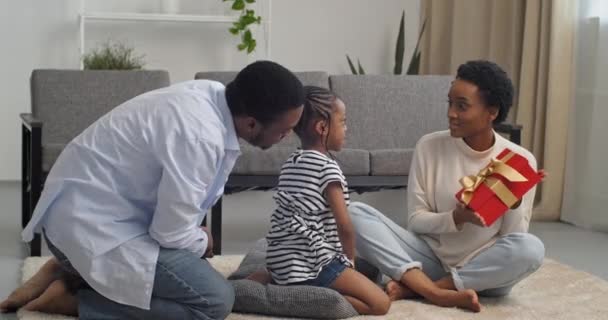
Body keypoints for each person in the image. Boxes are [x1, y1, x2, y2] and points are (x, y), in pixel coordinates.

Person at [0, 60, 305, 319]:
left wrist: (194, 237)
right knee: (215, 301)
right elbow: (169, 234)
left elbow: (179, 209)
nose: (288, 136)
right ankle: (75, 300)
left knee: (192, 267)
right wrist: (201, 240)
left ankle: (68, 272)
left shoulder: (212, 96)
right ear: (251, 124)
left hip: (90, 218)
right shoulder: (200, 136)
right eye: (284, 129)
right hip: (89, 231)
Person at [349, 60, 546, 312]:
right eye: (450, 103)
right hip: (427, 258)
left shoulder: (519, 160)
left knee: (531, 248)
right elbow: (416, 221)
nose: (451, 113)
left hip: (484, 271)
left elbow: (512, 239)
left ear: (492, 112)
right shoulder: (429, 146)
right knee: (354, 213)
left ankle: (424, 288)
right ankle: (436, 290)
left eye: (462, 106)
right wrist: (456, 217)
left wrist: (513, 202)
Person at [249, 86, 390, 315]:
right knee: (381, 304)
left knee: (373, 271)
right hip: (314, 262)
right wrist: (348, 262)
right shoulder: (328, 168)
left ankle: (275, 279)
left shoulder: (290, 163)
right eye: (343, 122)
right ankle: (317, 297)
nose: (347, 128)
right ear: (322, 127)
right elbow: (345, 226)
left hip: (281, 258)